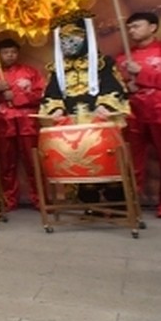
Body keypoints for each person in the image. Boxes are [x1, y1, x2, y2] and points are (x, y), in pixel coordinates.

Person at [40, 17, 130, 204]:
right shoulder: (58, 69)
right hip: (71, 124)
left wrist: (105, 105)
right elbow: (52, 92)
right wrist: (55, 109)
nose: (68, 45)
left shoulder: (102, 63)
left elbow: (113, 86)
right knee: (78, 161)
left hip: (99, 120)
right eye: (63, 41)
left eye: (74, 39)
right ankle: (91, 204)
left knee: (106, 162)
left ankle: (117, 204)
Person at [116, 11, 161, 218]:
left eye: (137, 26)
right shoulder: (123, 58)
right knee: (131, 160)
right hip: (134, 113)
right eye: (129, 27)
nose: (132, 30)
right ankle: (129, 201)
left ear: (152, 27)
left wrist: (141, 73)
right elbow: (120, 87)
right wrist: (127, 86)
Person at [0, 38, 45, 211]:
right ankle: (9, 200)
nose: (9, 55)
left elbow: (41, 95)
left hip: (27, 124)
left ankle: (40, 199)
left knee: (33, 163)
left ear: (17, 53)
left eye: (13, 52)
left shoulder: (30, 72)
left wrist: (16, 98)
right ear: (0, 55)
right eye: (5, 52)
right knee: (6, 165)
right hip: (3, 125)